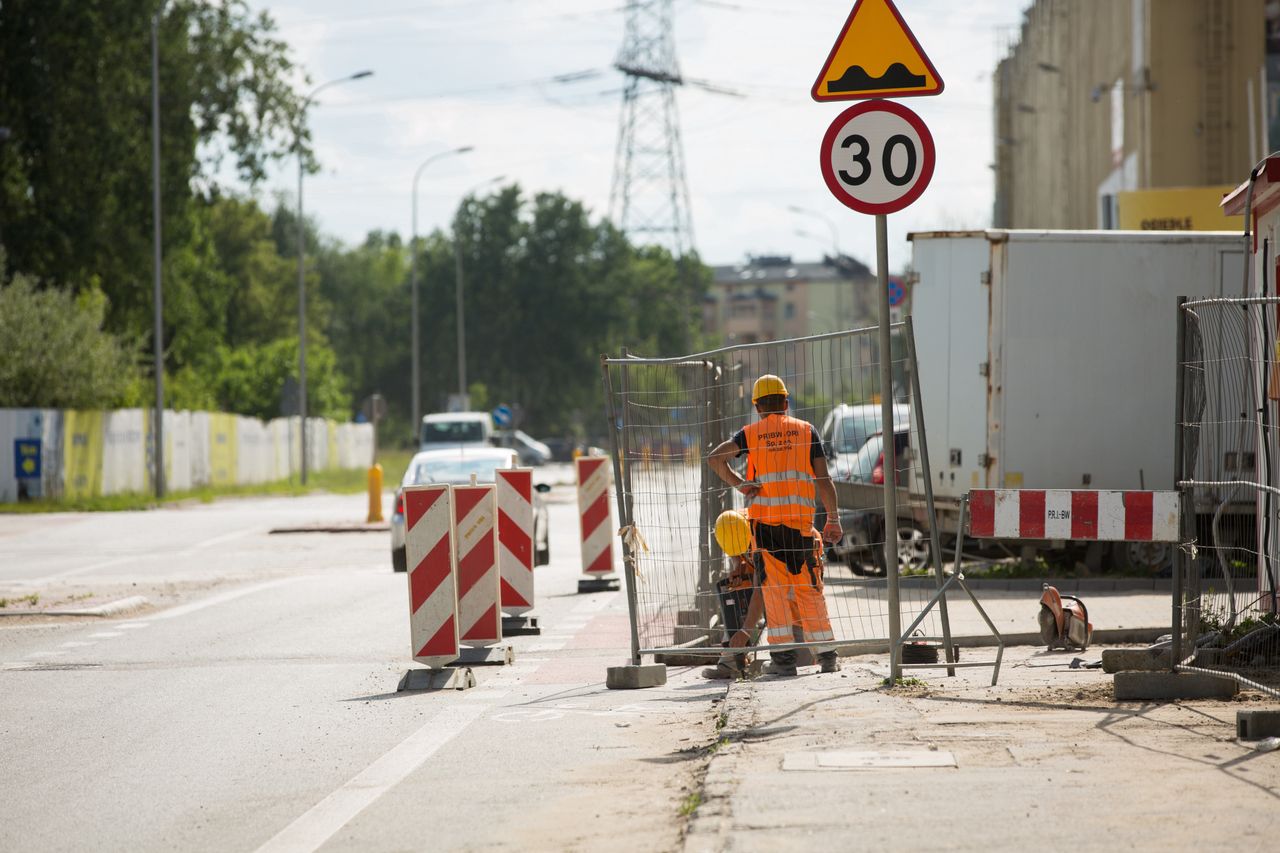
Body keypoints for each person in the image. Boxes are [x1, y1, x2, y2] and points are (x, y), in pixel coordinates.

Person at [706, 374, 842, 676]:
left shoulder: (750, 434)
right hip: (801, 527)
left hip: (765, 528)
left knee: (774, 590)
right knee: (809, 588)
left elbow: (715, 459)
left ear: (757, 407)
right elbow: (823, 480)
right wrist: (833, 519)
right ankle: (827, 657)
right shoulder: (806, 431)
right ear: (786, 403)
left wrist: (741, 485)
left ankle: (783, 662)